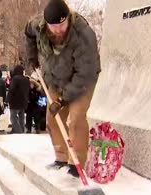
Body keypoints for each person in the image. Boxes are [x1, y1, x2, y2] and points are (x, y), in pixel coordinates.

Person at [24, 0, 101, 177]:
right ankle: (61, 157)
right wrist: (32, 57)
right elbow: (28, 33)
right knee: (52, 118)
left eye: (62, 24)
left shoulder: (83, 35)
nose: (58, 30)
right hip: (55, 78)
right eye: (54, 26)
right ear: (47, 24)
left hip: (81, 80)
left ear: (68, 19)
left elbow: (85, 73)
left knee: (75, 119)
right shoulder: (38, 25)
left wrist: (62, 100)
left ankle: (77, 163)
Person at [6, 65, 30, 134]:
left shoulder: (15, 79)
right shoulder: (26, 79)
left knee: (13, 117)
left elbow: (11, 90)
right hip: (23, 102)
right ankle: (21, 130)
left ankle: (19, 132)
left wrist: (7, 100)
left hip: (15, 102)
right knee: (21, 118)